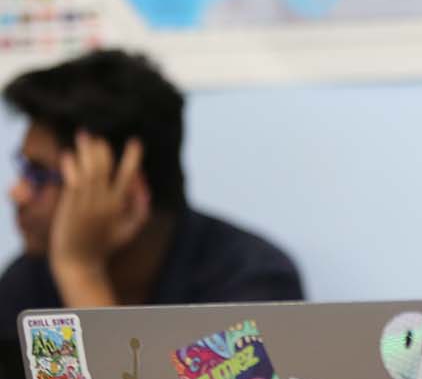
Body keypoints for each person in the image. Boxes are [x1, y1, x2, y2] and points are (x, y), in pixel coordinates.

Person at [1, 48, 304, 323]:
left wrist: (81, 271)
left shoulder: (251, 280)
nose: (17, 193)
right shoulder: (29, 282)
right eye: (23, 169)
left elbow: (136, 371)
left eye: (39, 175)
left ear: (124, 190)